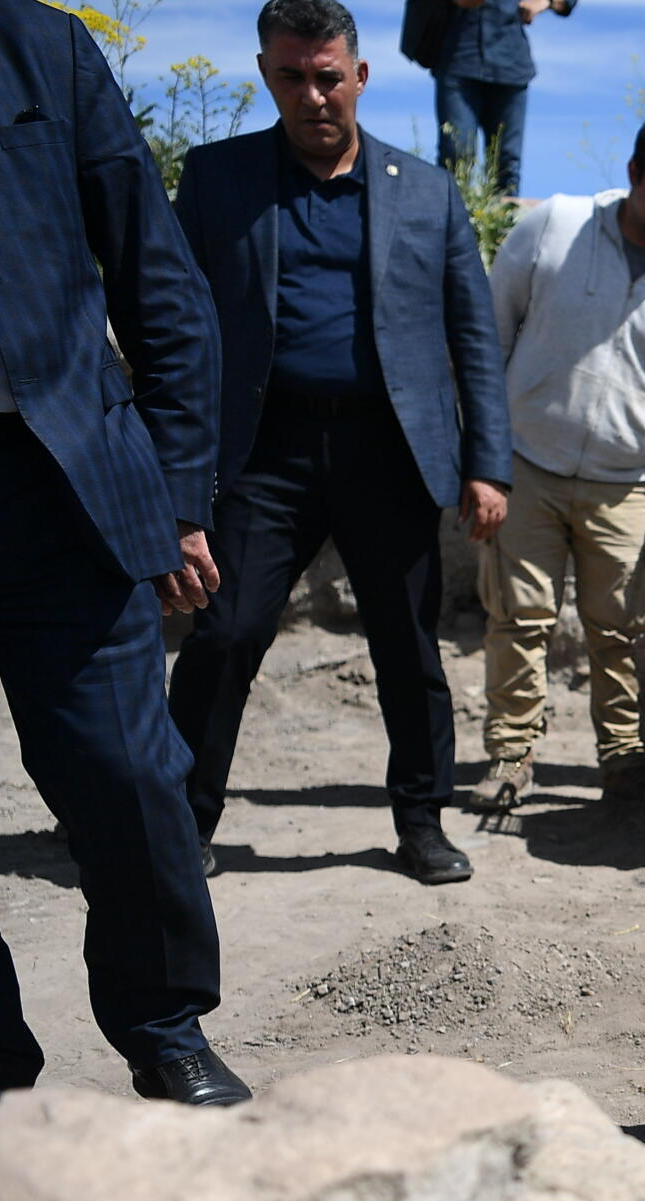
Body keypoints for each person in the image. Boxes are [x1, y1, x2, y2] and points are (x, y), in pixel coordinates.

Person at [0, 0, 251, 1172]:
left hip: (55, 479)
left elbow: (156, 273)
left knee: (128, 772)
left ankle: (163, 1025)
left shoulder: (38, 46)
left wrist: (180, 491)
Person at [169, 0, 510, 886]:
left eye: (329, 77)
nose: (314, 96)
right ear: (265, 76)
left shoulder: (425, 191)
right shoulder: (217, 180)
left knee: (407, 643)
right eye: (293, 77)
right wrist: (172, 468)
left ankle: (422, 822)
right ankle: (178, 820)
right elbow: (171, 324)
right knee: (225, 633)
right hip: (264, 451)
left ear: (360, 77)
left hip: (388, 449)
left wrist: (487, 464)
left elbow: (473, 337)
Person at [475, 116, 645, 810]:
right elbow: (490, 332)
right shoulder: (554, 227)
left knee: (623, 631)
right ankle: (510, 753)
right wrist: (482, 455)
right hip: (526, 465)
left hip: (625, 486)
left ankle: (623, 759)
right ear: (632, 174)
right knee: (517, 619)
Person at [415, 0, 573, 197]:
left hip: (511, 64)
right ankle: (450, 222)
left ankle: (501, 227)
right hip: (458, 58)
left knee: (506, 165)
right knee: (456, 155)